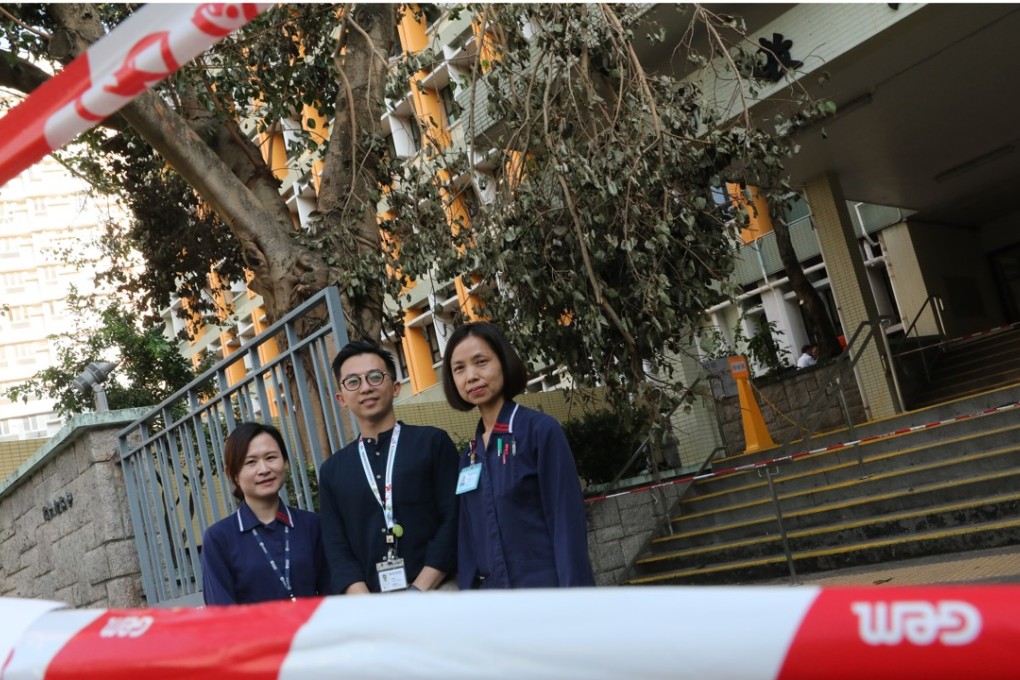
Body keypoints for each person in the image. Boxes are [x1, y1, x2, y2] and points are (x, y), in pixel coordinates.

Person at [442, 321, 595, 589]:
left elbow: (566, 524)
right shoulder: (469, 456)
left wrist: (575, 600)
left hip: (545, 595)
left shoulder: (539, 432)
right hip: (494, 610)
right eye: (459, 369)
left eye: (481, 362)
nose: (471, 376)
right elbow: (468, 543)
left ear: (503, 361)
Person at [319, 340, 459, 594]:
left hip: (439, 591)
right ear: (341, 398)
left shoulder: (432, 443)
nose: (365, 388)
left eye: (375, 377)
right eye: (353, 382)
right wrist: (367, 605)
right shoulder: (332, 471)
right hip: (371, 607)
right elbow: (336, 547)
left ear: (395, 387)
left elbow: (454, 519)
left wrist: (419, 589)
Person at [200, 422, 331, 605]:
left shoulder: (312, 525)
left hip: (310, 632)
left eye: (271, 458)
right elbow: (221, 613)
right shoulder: (218, 538)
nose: (264, 469)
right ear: (233, 474)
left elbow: (331, 596)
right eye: (251, 462)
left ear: (284, 461)